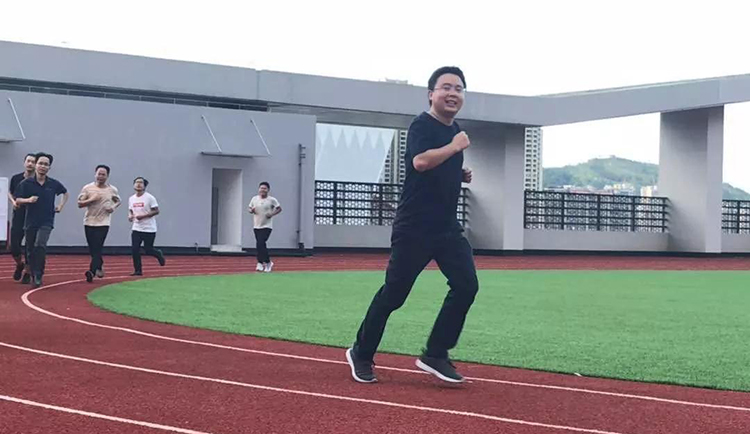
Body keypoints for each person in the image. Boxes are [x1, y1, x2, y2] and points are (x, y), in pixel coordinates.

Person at [346, 67, 478, 384]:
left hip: (446, 228)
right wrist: (454, 148)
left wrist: (458, 172)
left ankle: (436, 353)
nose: (453, 93)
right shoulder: (422, 125)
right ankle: (361, 353)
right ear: (431, 94)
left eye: (459, 88)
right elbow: (420, 162)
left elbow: (434, 166)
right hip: (415, 227)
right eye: (446, 87)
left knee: (466, 285)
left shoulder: (454, 130)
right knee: (394, 295)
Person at [14, 152, 69, 288]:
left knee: (40, 244)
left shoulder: (53, 184)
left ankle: (38, 274)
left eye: (46, 164)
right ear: (36, 165)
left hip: (46, 220)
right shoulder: (26, 183)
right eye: (40, 163)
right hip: (30, 221)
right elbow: (17, 199)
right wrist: (28, 200)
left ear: (49, 167)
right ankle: (33, 273)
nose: (43, 166)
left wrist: (61, 206)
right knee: (30, 249)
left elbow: (65, 193)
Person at [77, 165, 121, 283]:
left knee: (98, 247)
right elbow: (79, 204)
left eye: (103, 174)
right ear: (95, 174)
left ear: (107, 176)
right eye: (99, 174)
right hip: (89, 221)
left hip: (103, 222)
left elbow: (118, 201)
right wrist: (92, 199)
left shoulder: (112, 189)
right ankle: (99, 264)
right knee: (92, 249)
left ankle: (91, 272)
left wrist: (113, 207)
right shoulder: (87, 188)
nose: (100, 176)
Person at [7, 153, 36, 283]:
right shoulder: (16, 178)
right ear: (24, 163)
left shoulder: (38, 181)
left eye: (33, 162)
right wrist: (13, 202)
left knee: (30, 245)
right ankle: (19, 264)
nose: (30, 164)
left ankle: (28, 272)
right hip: (18, 214)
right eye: (28, 161)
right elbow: (10, 192)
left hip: (32, 216)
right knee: (14, 246)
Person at [127, 177, 165, 276]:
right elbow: (131, 210)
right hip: (136, 228)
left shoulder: (150, 198)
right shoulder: (131, 198)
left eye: (141, 182)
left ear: (145, 186)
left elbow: (156, 211)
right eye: (136, 182)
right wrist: (130, 216)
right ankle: (138, 270)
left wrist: (143, 216)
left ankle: (158, 254)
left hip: (149, 228)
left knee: (148, 249)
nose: (138, 184)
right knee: (135, 249)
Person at [248, 182, 282, 273]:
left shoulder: (271, 200)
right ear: (258, 189)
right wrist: (251, 210)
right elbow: (249, 209)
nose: (262, 190)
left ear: (268, 190)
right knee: (259, 245)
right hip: (256, 225)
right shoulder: (254, 199)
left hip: (267, 226)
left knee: (261, 242)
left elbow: (279, 208)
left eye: (264, 188)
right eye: (261, 188)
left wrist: (272, 214)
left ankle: (267, 262)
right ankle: (260, 263)